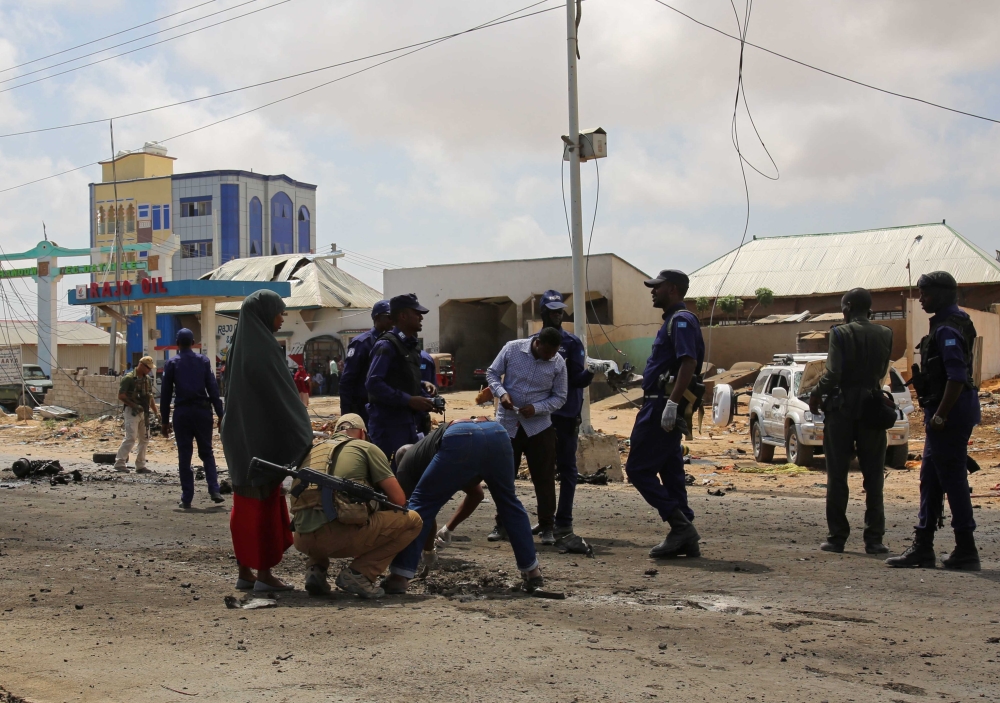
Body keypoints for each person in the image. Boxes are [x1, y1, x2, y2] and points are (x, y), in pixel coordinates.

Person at [383, 418, 545, 594]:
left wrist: (428, 551)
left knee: (420, 504)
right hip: (497, 433)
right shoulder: (433, 451)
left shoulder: (406, 467)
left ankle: (399, 577)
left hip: (460, 436)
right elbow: (476, 494)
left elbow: (417, 514)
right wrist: (448, 528)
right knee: (509, 503)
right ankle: (532, 571)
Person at [887, 271, 982, 571]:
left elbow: (956, 378)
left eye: (925, 293)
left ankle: (966, 549)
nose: (922, 299)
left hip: (949, 416)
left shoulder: (947, 329)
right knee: (930, 479)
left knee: (953, 481)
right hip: (942, 416)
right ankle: (923, 546)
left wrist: (940, 414)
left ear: (943, 294)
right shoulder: (950, 323)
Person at [221, 290, 314, 592]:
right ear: (265, 314)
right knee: (262, 504)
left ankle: (245, 572)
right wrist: (303, 434)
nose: (282, 318)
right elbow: (282, 399)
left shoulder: (238, 347)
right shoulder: (265, 350)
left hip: (239, 437)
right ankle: (263, 575)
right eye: (280, 312)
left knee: (244, 502)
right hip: (262, 439)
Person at [290, 414, 422, 599]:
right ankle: (360, 574)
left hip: (302, 539)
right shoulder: (366, 447)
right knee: (413, 520)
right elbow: (398, 500)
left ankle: (315, 570)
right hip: (339, 538)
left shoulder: (314, 449)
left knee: (320, 505)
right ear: (362, 433)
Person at [625, 269, 704, 559]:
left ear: (672, 289)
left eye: (657, 287)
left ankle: (680, 526)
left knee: (637, 469)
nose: (652, 291)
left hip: (661, 406)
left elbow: (688, 362)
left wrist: (671, 403)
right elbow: (667, 367)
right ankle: (686, 536)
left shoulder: (680, 320)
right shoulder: (672, 321)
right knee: (671, 472)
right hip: (660, 400)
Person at [807, 288, 893, 554]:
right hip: (872, 407)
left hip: (842, 409)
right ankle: (874, 538)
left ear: (846, 309)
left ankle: (837, 537)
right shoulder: (886, 334)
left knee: (837, 476)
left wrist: (815, 393)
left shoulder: (839, 333)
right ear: (868, 309)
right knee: (874, 476)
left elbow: (833, 373)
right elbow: (881, 372)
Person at [485, 327, 568, 545]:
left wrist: (537, 407)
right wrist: (501, 393)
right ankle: (502, 524)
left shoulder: (558, 362)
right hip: (508, 424)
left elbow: (560, 397)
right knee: (504, 478)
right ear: (537, 343)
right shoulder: (512, 349)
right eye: (547, 352)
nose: (550, 357)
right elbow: (491, 373)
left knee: (544, 478)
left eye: (554, 353)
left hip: (539, 427)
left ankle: (547, 527)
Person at [535, 289, 595, 541]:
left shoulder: (572, 343)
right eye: (553, 311)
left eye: (560, 310)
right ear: (544, 314)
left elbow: (579, 379)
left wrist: (592, 372)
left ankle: (564, 521)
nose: (558, 315)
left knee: (567, 469)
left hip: (566, 414)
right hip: (540, 416)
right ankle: (545, 522)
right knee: (543, 470)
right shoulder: (531, 344)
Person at [365, 294, 438, 464]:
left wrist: (422, 387)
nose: (421, 317)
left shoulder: (409, 346)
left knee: (410, 474)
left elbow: (397, 379)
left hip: (409, 424)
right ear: (403, 316)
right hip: (389, 426)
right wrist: (409, 400)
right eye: (417, 313)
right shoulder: (387, 345)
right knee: (393, 477)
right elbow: (373, 383)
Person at [160, 328, 226, 509]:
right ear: (193, 342)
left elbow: (165, 394)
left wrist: (164, 421)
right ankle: (214, 489)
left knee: (184, 455)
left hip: (182, 413)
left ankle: (187, 497)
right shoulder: (203, 361)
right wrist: (221, 415)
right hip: (202, 412)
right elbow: (213, 389)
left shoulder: (172, 363)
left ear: (177, 343)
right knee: (207, 452)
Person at [340, 301, 393, 423]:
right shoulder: (362, 343)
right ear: (378, 318)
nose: (392, 321)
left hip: (385, 406)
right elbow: (347, 380)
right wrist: (347, 415)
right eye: (389, 317)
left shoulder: (392, 342)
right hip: (364, 407)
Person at [113, 355, 159, 474]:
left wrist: (156, 411)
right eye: (148, 368)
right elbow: (121, 396)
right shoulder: (128, 378)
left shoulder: (147, 379)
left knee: (145, 438)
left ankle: (140, 465)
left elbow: (150, 397)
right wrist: (134, 405)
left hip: (144, 412)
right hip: (131, 411)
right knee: (131, 437)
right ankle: (120, 463)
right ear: (141, 365)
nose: (149, 370)